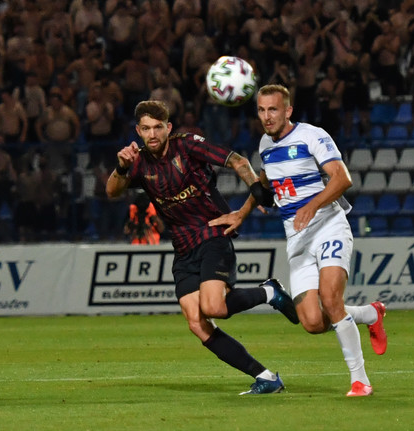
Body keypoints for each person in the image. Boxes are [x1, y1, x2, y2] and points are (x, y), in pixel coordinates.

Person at [106, 99, 298, 395]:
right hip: (183, 249)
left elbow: (237, 160)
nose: (153, 134)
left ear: (168, 128)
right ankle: (267, 377)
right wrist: (121, 167)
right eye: (146, 129)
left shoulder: (188, 146)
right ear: (138, 131)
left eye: (158, 127)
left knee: (212, 308)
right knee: (196, 322)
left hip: (212, 235)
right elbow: (112, 191)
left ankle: (269, 293)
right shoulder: (139, 162)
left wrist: (255, 189)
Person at [209, 84, 387, 397]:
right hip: (297, 238)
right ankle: (369, 313)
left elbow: (342, 178)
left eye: (273, 109)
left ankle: (360, 381)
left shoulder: (312, 135)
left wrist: (312, 204)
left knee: (332, 299)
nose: (267, 117)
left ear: (288, 110)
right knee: (313, 322)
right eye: (262, 110)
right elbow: (265, 182)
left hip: (328, 225)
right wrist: (241, 213)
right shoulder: (265, 143)